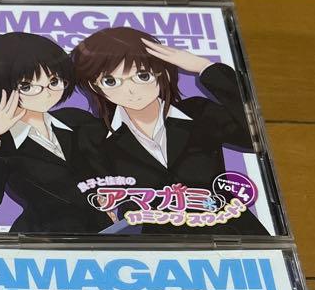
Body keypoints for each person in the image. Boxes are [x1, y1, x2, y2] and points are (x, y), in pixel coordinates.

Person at [70, 27, 268, 235]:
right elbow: (95, 191)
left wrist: (205, 68)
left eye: (142, 76)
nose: (130, 90)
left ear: (162, 72)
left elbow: (257, 138)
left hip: (230, 229)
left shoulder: (199, 112)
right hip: (158, 240)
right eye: (110, 81)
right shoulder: (93, 136)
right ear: (95, 86)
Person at [0, 32, 106, 233]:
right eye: (27, 86)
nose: (47, 93)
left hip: (107, 231)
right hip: (42, 238)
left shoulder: (77, 120)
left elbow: (120, 160)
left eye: (54, 81)